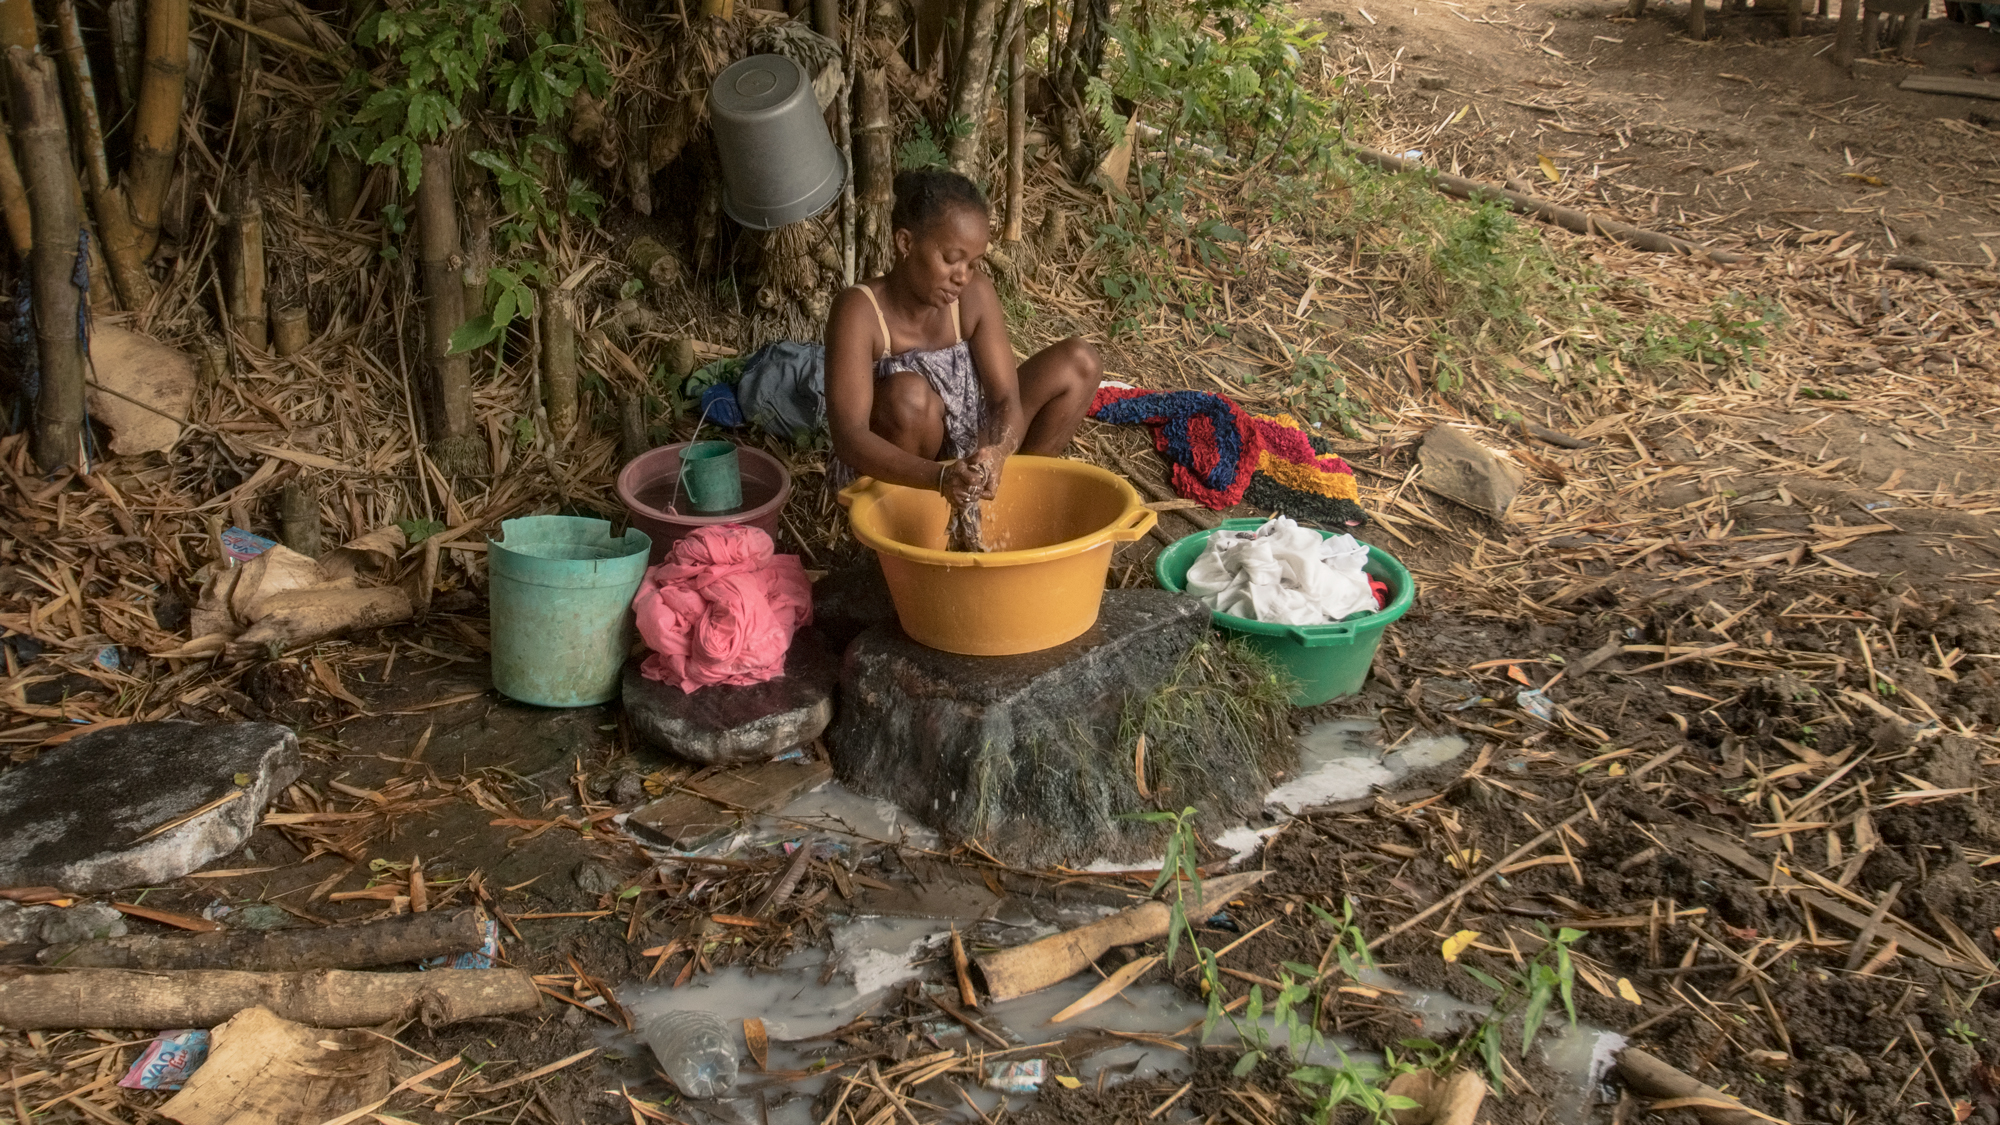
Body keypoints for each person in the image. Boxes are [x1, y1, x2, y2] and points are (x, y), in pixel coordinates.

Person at [824, 170, 1101, 504]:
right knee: (909, 397)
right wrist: (941, 477)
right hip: (902, 471)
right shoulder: (860, 311)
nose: (962, 277)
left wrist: (997, 454)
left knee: (1079, 362)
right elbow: (850, 436)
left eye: (973, 263)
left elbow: (1005, 399)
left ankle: (1012, 498)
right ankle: (915, 517)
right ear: (905, 243)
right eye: (951, 260)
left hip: (966, 441)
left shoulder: (974, 294)